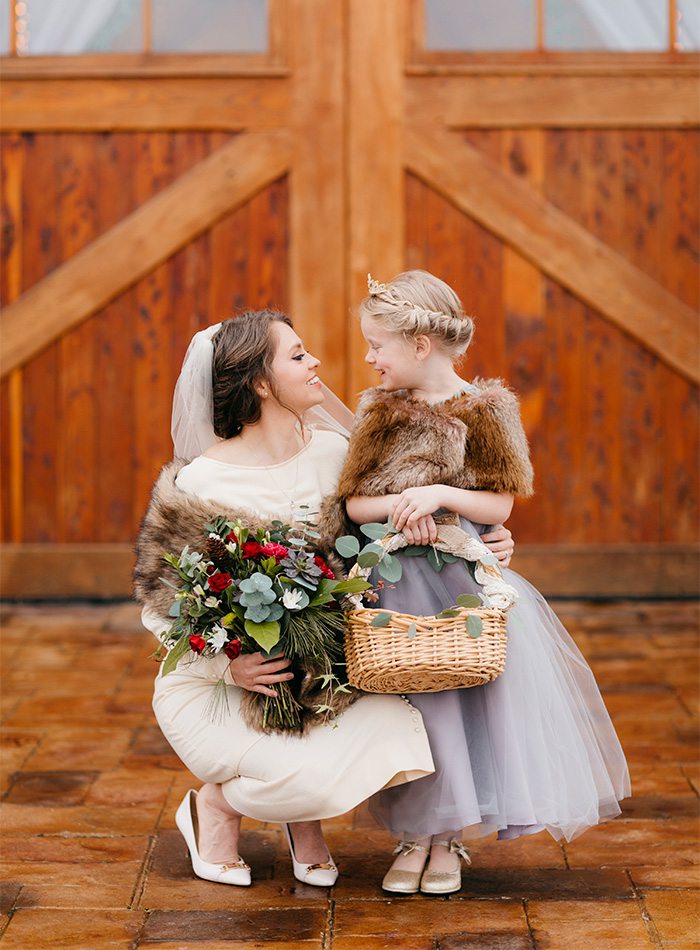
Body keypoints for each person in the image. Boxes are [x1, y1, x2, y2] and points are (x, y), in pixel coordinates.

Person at [134, 309, 516, 888]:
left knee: (411, 735)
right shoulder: (200, 483)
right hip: (225, 684)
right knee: (309, 780)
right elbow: (162, 606)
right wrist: (229, 663)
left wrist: (487, 540)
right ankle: (216, 807)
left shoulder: (336, 454)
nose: (316, 364)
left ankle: (298, 817)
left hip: (327, 678)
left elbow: (407, 525)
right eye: (296, 355)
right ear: (261, 383)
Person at [330, 270, 630, 896]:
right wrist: (400, 507)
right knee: (418, 706)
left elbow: (499, 505)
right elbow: (355, 505)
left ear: (420, 344)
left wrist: (439, 493)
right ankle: (418, 834)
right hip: (399, 589)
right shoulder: (377, 413)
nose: (367, 357)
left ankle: (450, 838)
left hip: (462, 584)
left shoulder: (489, 410)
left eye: (377, 343)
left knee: (466, 703)